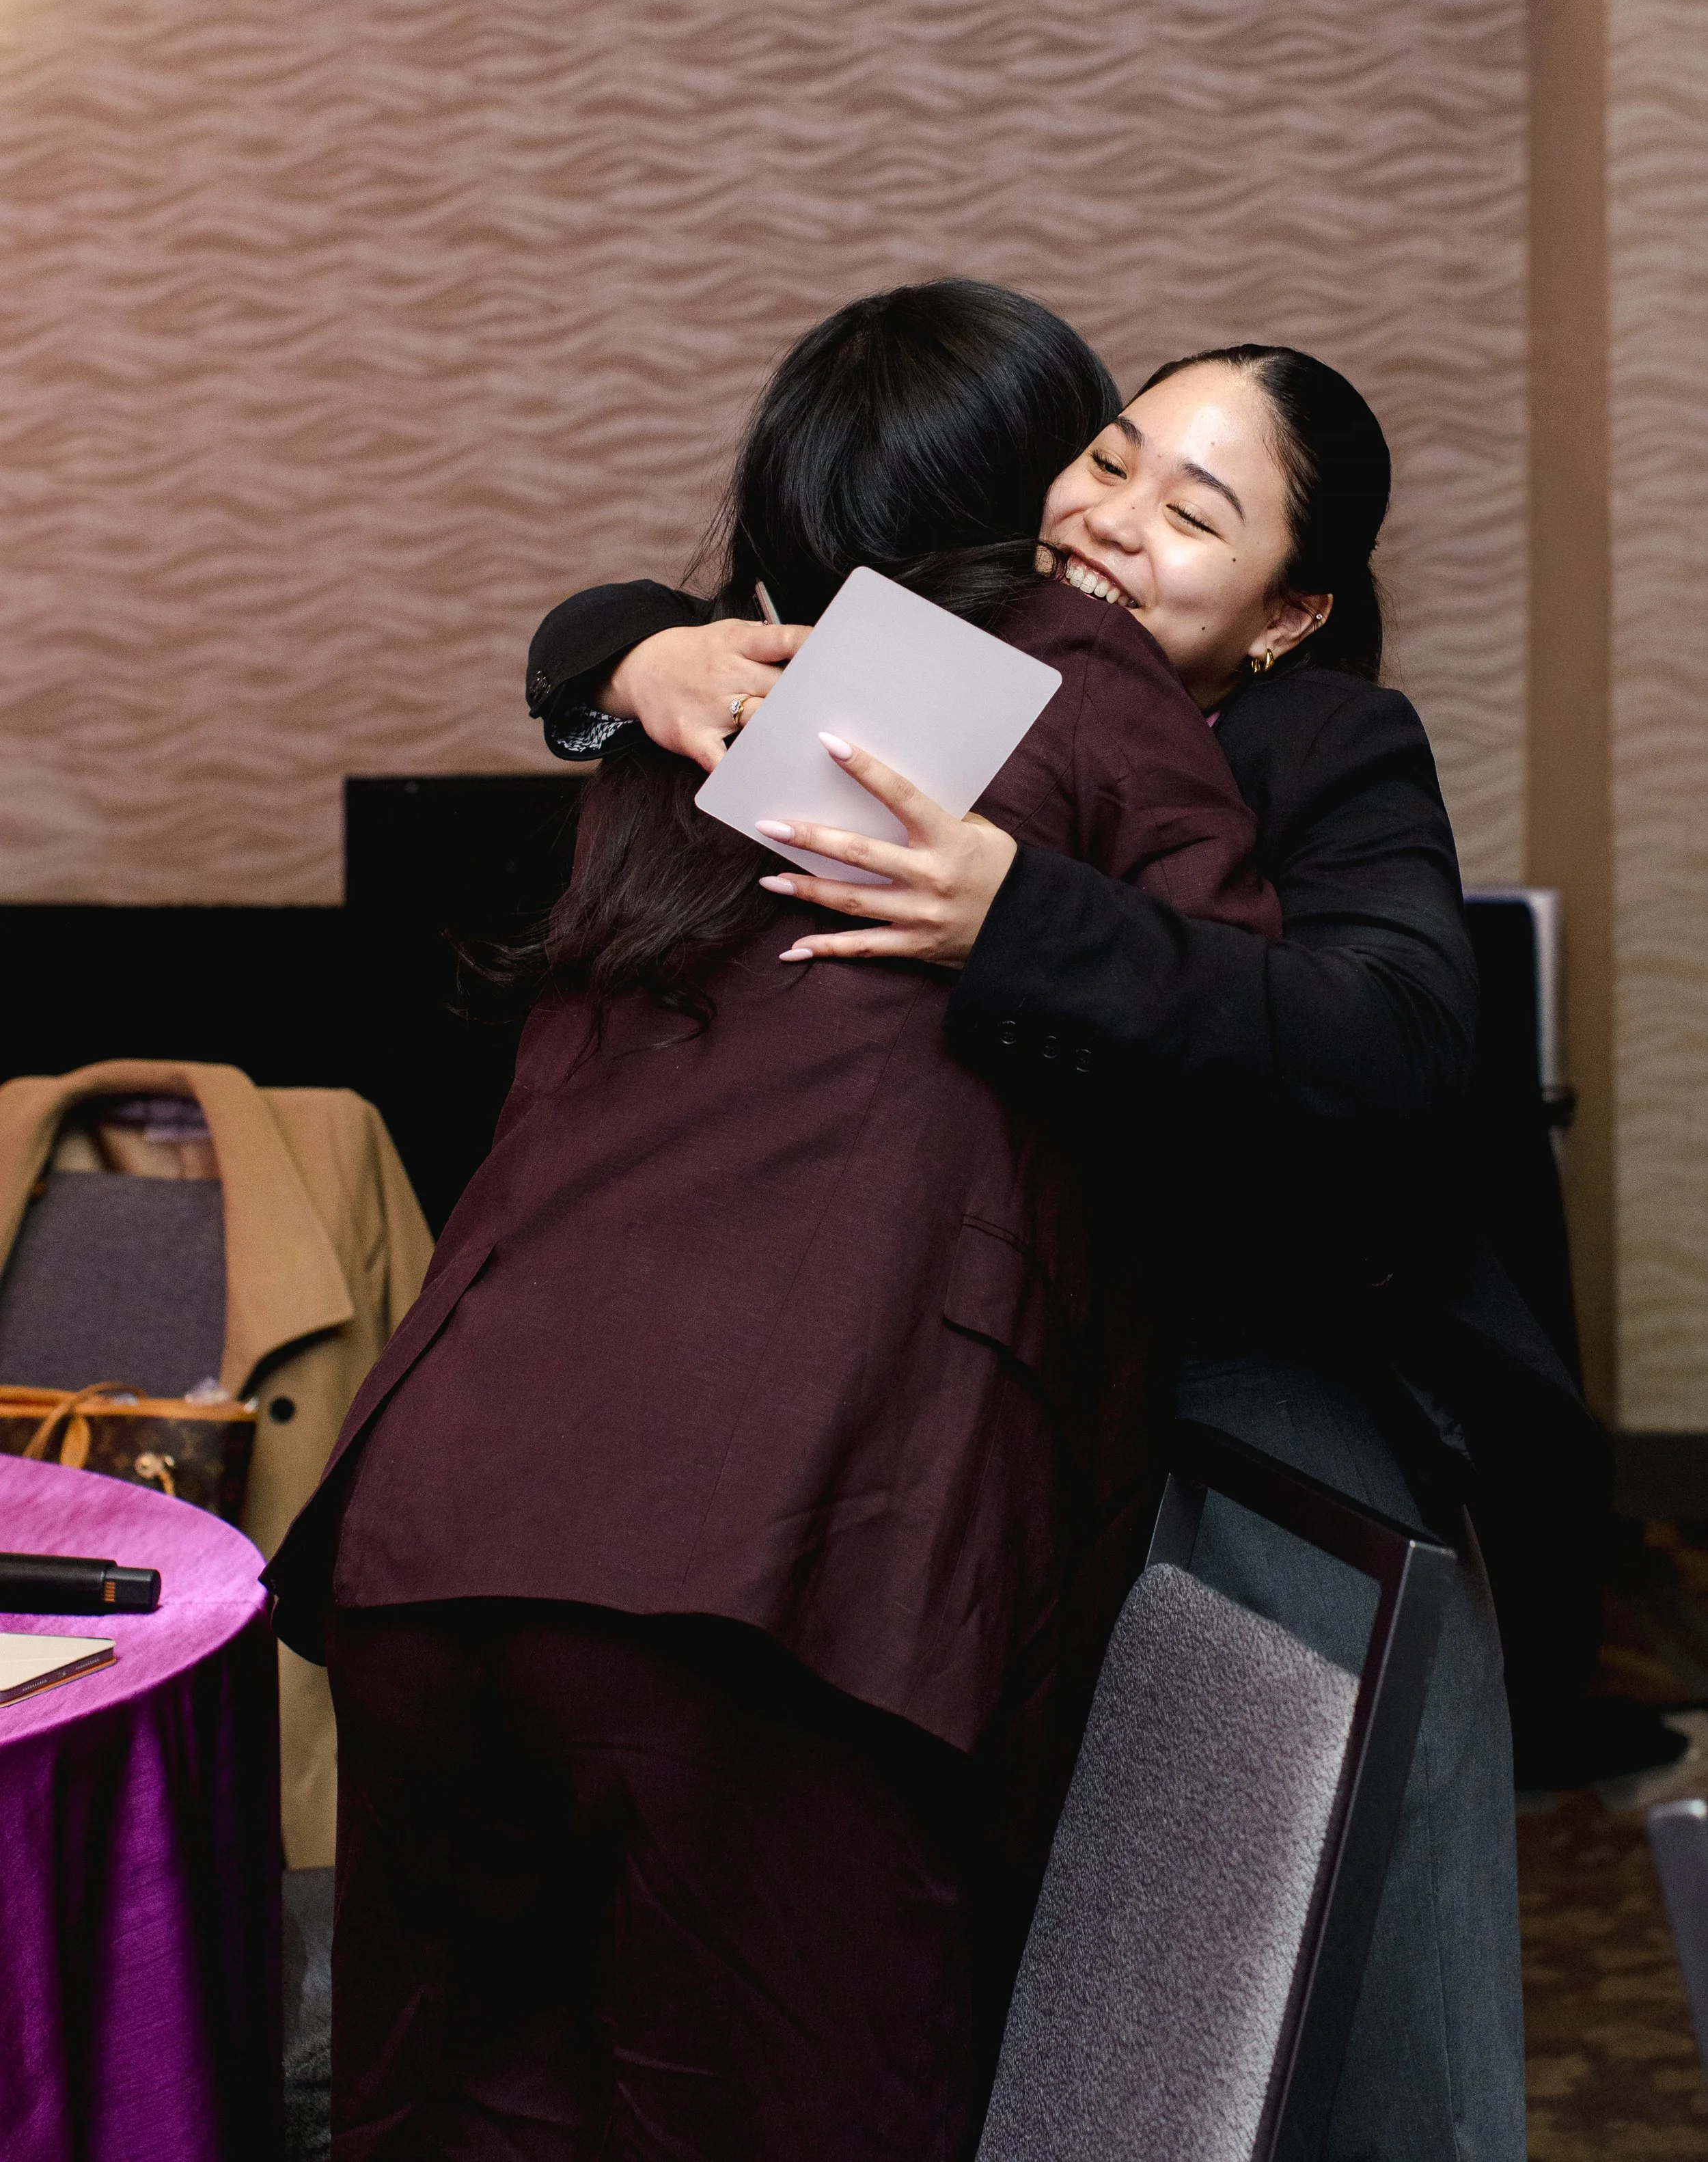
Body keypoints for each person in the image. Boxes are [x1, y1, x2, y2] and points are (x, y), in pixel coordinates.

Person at [525, 343, 1584, 2162]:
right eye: (1108, 458)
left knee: (1312, 1998)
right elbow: (612, 626)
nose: (1113, 518)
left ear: (1292, 612)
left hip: (1260, 1415)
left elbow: (1397, 1041)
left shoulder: (1322, 744)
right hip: (1001, 1404)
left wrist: (1022, 916)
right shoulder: (974, 673)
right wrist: (634, 658)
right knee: (1056, 1996)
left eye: (1197, 510)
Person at [265, 281, 1287, 2162]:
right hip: (770, 1555)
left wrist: (623, 653)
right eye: (1094, 456)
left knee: (460, 2115)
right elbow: (1247, 1048)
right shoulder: (1069, 667)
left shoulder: (687, 711)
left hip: (441, 1528)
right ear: (1020, 487)